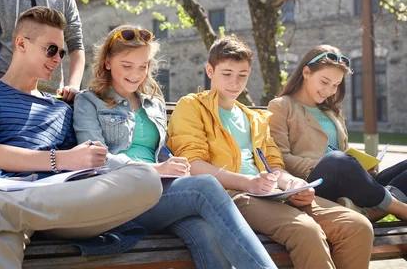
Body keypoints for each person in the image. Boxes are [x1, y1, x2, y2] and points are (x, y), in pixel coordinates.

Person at [0, 7, 162, 268]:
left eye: (61, 52)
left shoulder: (60, 107)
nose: (58, 59)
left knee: (146, 179)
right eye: (50, 49)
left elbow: (78, 169)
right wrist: (62, 158)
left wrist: (87, 158)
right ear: (21, 43)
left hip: (56, 203)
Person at [73, 26, 276, 269]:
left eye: (144, 66)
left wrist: (175, 166)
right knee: (206, 186)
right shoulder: (88, 101)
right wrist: (153, 170)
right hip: (120, 197)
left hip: (159, 196)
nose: (136, 74)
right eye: (127, 66)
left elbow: (160, 153)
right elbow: (95, 159)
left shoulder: (154, 105)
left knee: (204, 231)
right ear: (107, 62)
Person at [167, 36, 374, 269]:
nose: (235, 82)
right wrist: (249, 183)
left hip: (272, 193)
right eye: (226, 74)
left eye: (242, 75)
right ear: (210, 70)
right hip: (229, 196)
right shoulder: (193, 106)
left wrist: (293, 184)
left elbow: (274, 164)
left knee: (357, 225)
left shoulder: (254, 118)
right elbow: (192, 164)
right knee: (306, 230)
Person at [268, 45, 407, 221]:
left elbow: (345, 152)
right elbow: (280, 158)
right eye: (325, 82)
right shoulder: (281, 106)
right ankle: (398, 208)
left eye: (335, 85)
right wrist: (331, 165)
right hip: (312, 186)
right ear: (306, 72)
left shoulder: (331, 112)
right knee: (336, 160)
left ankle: (370, 211)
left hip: (347, 183)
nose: (329, 90)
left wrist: (360, 166)